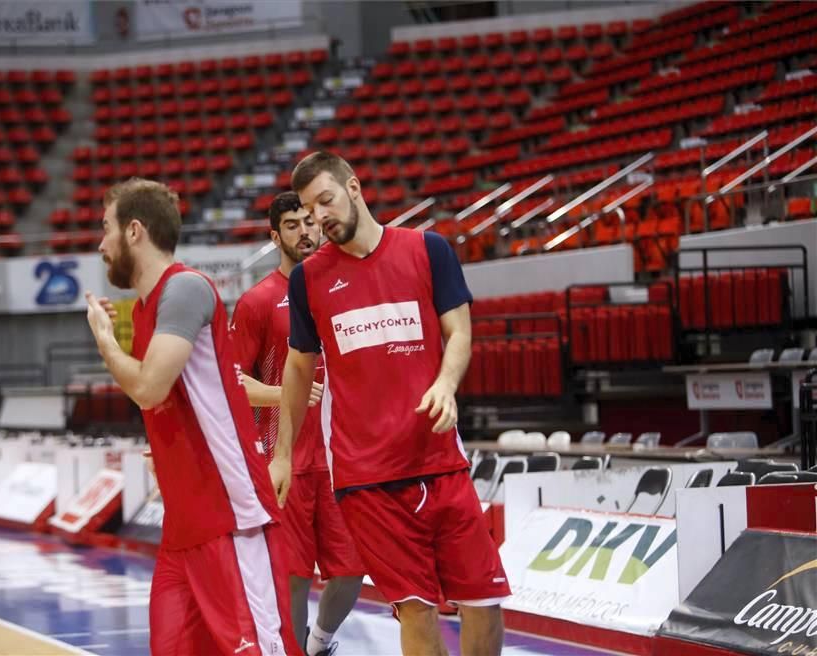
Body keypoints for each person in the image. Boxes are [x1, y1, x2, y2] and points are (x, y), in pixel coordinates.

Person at [270, 152, 511, 656]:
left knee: (484, 602)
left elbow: (459, 330)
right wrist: (283, 452)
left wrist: (446, 383)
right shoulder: (309, 280)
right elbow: (297, 368)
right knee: (416, 606)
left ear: (354, 187)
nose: (320, 218)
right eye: (310, 211)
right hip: (366, 477)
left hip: (441, 459)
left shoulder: (429, 250)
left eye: (326, 201)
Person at [85, 178, 302, 656]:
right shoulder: (146, 308)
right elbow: (171, 402)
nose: (101, 244)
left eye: (106, 229)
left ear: (135, 231)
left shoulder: (183, 289)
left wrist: (104, 341)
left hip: (229, 515)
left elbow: (148, 387)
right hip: (183, 524)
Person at [232, 192, 364, 656]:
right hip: (284, 463)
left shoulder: (344, 287)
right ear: (275, 236)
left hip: (342, 462)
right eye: (292, 225)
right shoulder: (257, 302)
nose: (305, 231)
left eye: (309, 221)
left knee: (352, 569)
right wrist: (284, 394)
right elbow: (232, 384)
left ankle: (319, 643)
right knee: (292, 578)